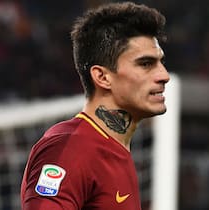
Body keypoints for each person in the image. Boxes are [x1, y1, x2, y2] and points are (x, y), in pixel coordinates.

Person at [20, 2, 169, 209]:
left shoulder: (114, 150)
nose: (164, 75)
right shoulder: (72, 147)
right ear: (102, 77)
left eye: (161, 62)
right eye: (145, 64)